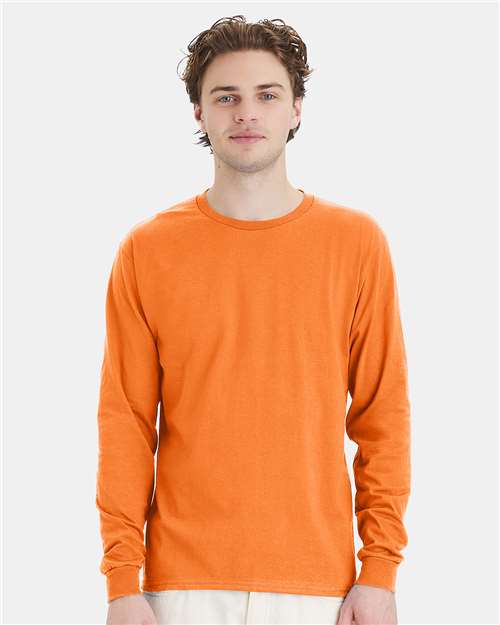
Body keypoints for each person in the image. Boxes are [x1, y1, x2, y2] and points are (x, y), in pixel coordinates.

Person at [95, 15, 411, 625]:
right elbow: (126, 422)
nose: (247, 113)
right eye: (226, 97)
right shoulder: (147, 251)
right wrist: (120, 582)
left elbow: (383, 418)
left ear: (296, 109)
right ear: (199, 112)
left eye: (267, 95)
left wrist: (380, 571)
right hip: (179, 588)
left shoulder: (356, 244)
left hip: (321, 588)